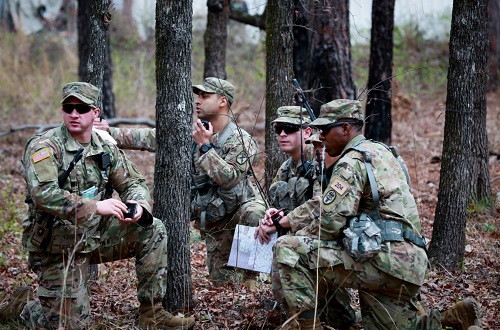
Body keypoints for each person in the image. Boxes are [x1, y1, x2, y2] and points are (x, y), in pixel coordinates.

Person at [256, 99, 482, 330]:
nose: (321, 137)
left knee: (289, 249)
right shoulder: (383, 152)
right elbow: (326, 204)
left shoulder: (351, 161)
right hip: (409, 263)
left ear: (345, 129)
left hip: (384, 259)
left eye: (325, 130)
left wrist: (294, 230)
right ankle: (456, 320)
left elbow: (330, 224)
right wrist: (289, 219)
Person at [0, 82, 194, 329]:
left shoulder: (104, 146)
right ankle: (25, 307)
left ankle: (152, 314)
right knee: (71, 326)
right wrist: (96, 206)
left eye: (81, 108)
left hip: (95, 237)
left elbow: (133, 181)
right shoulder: (44, 146)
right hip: (57, 247)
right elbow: (43, 193)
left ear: (96, 113)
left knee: (153, 228)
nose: (74, 114)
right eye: (68, 108)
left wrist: (139, 204)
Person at [94, 77, 266, 286]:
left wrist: (204, 148)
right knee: (224, 285)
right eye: (198, 96)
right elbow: (149, 137)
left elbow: (228, 179)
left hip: (239, 214)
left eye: (205, 96)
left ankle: (254, 278)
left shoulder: (240, 140)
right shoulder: (193, 134)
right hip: (215, 221)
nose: (198, 101)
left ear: (223, 101)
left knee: (256, 215)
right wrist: (109, 133)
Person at [256, 106, 358, 329]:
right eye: (279, 129)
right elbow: (281, 205)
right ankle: (299, 320)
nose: (282, 134)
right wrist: (270, 216)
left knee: (339, 317)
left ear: (307, 131)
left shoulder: (323, 157)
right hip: (302, 237)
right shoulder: (286, 168)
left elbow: (324, 207)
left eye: (290, 128)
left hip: (326, 235)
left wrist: (284, 225)